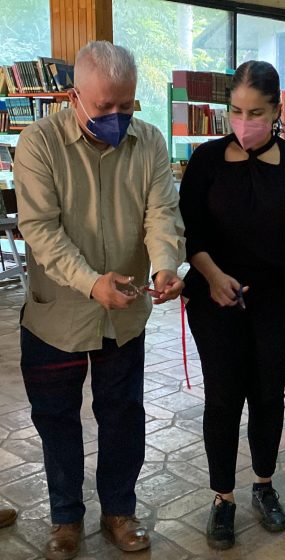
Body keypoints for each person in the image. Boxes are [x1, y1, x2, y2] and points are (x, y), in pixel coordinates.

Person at [14, 41, 185, 560]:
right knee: (56, 418)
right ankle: (66, 516)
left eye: (126, 105)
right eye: (104, 106)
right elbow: (40, 230)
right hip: (56, 316)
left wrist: (165, 264)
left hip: (124, 314)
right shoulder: (39, 143)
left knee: (122, 414)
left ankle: (119, 511)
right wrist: (91, 283)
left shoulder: (149, 141)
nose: (116, 116)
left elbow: (162, 211)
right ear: (74, 97)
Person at [179, 60, 285, 550]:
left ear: (277, 109)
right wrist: (212, 277)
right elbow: (191, 234)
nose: (244, 122)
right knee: (222, 399)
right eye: (236, 112)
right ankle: (223, 497)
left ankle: (264, 483)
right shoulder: (205, 160)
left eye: (256, 112)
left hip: (278, 300)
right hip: (214, 298)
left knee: (267, 395)